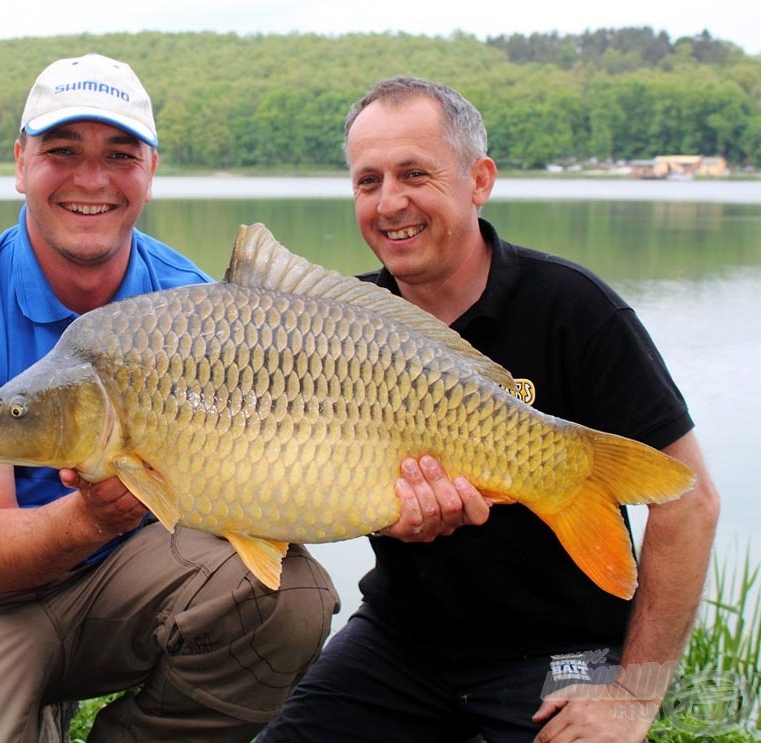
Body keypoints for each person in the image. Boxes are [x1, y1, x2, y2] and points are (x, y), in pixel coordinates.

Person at [0, 52, 339, 743]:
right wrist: (94, 514)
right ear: (20, 163)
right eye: (62, 151)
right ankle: (4, 704)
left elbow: (261, 478)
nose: (91, 179)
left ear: (149, 171)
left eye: (120, 155)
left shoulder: (196, 307)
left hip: (127, 578)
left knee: (292, 598)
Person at [258, 76, 720, 742]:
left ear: (480, 180)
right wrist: (388, 518)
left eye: (414, 174)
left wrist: (634, 693)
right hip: (399, 641)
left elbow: (691, 499)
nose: (390, 203)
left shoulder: (574, 309)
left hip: (557, 652)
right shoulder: (337, 325)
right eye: (368, 181)